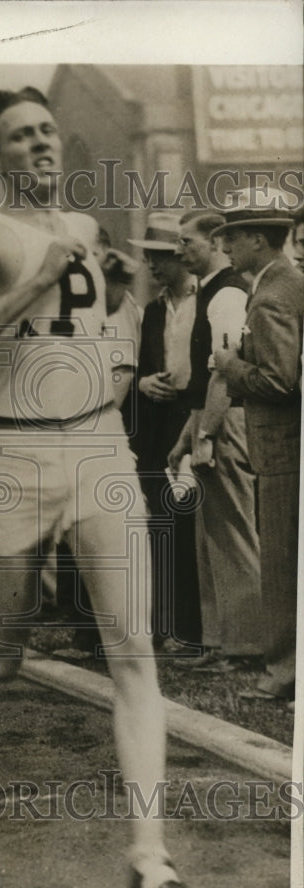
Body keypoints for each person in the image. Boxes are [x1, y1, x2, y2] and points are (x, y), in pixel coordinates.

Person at [0, 86, 198, 888]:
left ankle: (149, 859)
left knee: (133, 651)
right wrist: (35, 280)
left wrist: (112, 294)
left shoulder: (82, 229)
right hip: (13, 453)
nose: (40, 145)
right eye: (21, 136)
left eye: (47, 131)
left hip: (97, 444)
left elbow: (83, 329)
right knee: (6, 651)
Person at [213, 189, 304, 704]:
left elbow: (279, 381)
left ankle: (282, 672)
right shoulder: (286, 284)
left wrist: (231, 368)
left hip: (284, 450)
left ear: (256, 239)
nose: (225, 245)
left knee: (282, 563)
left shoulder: (272, 294)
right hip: (289, 448)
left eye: (232, 235)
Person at [168, 210, 262, 673]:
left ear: (213, 243)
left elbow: (224, 373)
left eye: (187, 242)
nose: (178, 251)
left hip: (226, 422)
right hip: (209, 421)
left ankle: (245, 646)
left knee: (233, 534)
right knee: (212, 538)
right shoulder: (210, 292)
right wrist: (189, 436)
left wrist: (205, 432)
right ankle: (220, 642)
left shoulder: (226, 294)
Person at [124, 214, 203, 651]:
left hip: (193, 421)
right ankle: (164, 624)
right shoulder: (154, 310)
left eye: (159, 257)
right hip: (158, 426)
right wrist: (142, 382)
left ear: (181, 256)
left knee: (189, 522)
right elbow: (141, 366)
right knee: (160, 526)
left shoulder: (207, 299)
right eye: (147, 258)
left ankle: (190, 628)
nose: (151, 266)